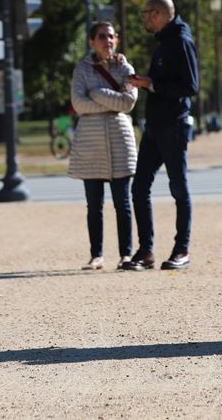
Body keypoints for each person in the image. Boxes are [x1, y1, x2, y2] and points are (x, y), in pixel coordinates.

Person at [124, 0, 199, 271]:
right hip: (154, 126)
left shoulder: (180, 41)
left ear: (158, 14)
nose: (143, 18)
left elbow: (190, 86)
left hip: (173, 125)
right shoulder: (164, 42)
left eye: (146, 13)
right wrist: (147, 84)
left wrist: (151, 84)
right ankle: (146, 251)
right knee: (139, 187)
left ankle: (182, 250)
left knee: (178, 187)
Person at [68, 21, 139, 270]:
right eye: (101, 36)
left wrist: (96, 93)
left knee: (123, 204)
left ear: (116, 40)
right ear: (91, 42)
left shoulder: (125, 67)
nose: (106, 41)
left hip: (120, 140)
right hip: (91, 144)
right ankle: (96, 254)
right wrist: (111, 101)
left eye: (111, 36)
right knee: (94, 205)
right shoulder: (81, 69)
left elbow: (129, 101)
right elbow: (79, 103)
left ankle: (126, 254)